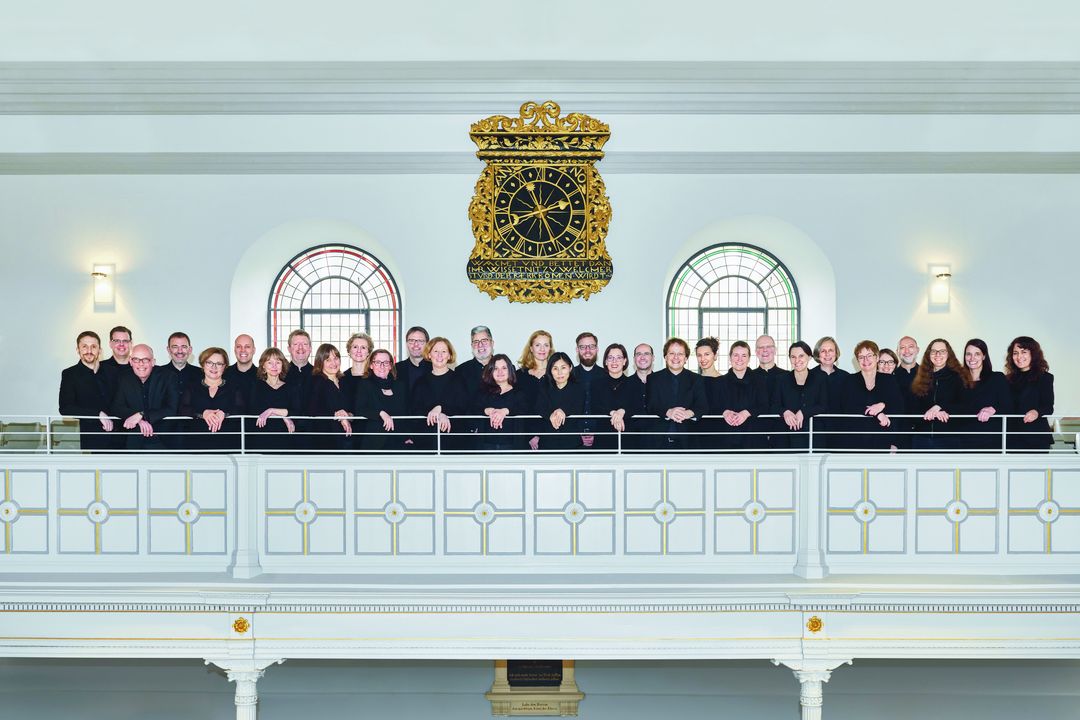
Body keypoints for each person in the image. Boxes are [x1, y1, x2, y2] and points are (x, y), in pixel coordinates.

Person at [834, 340, 903, 451]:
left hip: (882, 441)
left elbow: (898, 407)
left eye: (869, 355)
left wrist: (883, 405)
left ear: (876, 358)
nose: (865, 360)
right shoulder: (849, 380)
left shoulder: (889, 380)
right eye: (861, 357)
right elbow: (848, 407)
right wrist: (877, 413)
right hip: (853, 442)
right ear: (857, 360)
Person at [111, 343, 179, 451]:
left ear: (153, 362)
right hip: (133, 441)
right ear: (130, 361)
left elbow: (172, 408)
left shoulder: (168, 377)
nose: (141, 364)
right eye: (136, 359)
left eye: (145, 359)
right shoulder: (123, 378)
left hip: (162, 440)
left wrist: (142, 414)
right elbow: (117, 407)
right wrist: (139, 419)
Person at [58, 330, 117, 451]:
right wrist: (97, 414)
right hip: (93, 441)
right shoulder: (70, 374)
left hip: (120, 438)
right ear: (78, 350)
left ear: (100, 350)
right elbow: (65, 408)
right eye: (84, 347)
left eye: (93, 347)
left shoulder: (113, 372)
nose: (89, 351)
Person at [908, 339, 971, 451]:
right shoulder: (919, 378)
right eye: (934, 351)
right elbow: (912, 410)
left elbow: (966, 407)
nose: (937, 354)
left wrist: (940, 407)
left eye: (942, 351)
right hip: (921, 439)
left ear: (948, 354)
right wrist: (928, 414)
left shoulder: (959, 377)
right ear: (929, 354)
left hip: (949, 439)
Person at [179, 347, 245, 452]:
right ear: (203, 364)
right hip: (196, 444)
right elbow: (182, 409)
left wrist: (225, 414)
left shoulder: (234, 387)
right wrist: (203, 413)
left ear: (224, 367)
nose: (214, 367)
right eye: (209, 362)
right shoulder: (191, 387)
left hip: (228, 445)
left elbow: (241, 409)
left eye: (219, 364)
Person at [646, 338, 707, 449]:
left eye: (680, 354)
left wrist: (689, 413)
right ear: (665, 357)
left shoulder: (697, 379)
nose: (675, 357)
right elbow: (651, 405)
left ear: (686, 358)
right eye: (672, 353)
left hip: (689, 441)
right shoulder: (653, 379)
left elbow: (703, 406)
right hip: (659, 441)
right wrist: (668, 412)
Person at [410, 337, 467, 451]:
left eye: (444, 351)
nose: (439, 355)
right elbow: (415, 411)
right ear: (429, 355)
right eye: (436, 351)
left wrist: (441, 408)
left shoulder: (459, 379)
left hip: (454, 442)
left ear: (449, 356)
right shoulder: (420, 382)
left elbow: (464, 408)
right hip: (426, 443)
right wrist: (438, 415)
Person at [773, 341, 828, 451]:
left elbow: (824, 405)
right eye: (793, 357)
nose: (797, 360)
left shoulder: (820, 378)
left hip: (814, 437)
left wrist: (804, 412)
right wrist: (785, 412)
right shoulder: (781, 380)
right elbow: (774, 405)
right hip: (787, 438)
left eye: (801, 356)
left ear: (809, 357)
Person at [713, 341, 768, 450]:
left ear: (749, 358)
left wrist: (747, 413)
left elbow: (765, 406)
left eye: (744, 355)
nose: (739, 359)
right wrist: (724, 412)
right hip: (726, 439)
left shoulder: (760, 381)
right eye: (736, 355)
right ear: (730, 358)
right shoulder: (719, 382)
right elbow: (713, 406)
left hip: (752, 439)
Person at [958, 338, 1012, 451]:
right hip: (963, 441)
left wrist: (994, 409)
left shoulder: (997, 378)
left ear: (984, 356)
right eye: (968, 354)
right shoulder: (958, 381)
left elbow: (1009, 406)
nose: (972, 358)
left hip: (991, 441)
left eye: (977, 354)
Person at [1004, 336, 1055, 452]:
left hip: (1036, 438)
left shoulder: (1045, 378)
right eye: (1015, 353)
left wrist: (1036, 412)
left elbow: (1048, 407)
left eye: (1024, 352)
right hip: (1011, 438)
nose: (1019, 357)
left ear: (1034, 354)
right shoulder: (1007, 379)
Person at [354, 349, 410, 451]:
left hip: (399, 441)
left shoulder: (400, 386)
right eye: (378, 362)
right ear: (371, 365)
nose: (382, 366)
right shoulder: (365, 384)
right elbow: (360, 409)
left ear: (390, 366)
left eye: (386, 363)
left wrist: (408, 435)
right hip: (374, 443)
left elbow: (406, 412)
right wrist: (381, 413)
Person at [246, 347, 299, 452]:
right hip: (261, 440)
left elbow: (297, 411)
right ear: (263, 367)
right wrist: (283, 416)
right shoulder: (256, 386)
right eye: (270, 362)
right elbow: (254, 411)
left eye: (278, 362)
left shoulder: (292, 387)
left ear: (282, 366)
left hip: (286, 441)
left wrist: (271, 411)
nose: (274, 366)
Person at [158, 332, 203, 448]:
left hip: (195, 433)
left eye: (184, 347)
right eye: (175, 347)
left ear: (190, 349)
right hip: (163, 435)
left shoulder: (201, 374)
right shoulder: (157, 374)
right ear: (168, 350)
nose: (180, 351)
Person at [475, 354, 528, 452]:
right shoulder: (483, 391)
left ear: (510, 370)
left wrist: (505, 411)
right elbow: (471, 411)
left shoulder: (519, 392)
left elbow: (524, 410)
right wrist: (486, 411)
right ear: (491, 371)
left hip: (512, 447)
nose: (500, 372)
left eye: (504, 368)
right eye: (496, 368)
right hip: (486, 447)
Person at [306, 343, 353, 451]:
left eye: (336, 358)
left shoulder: (345, 381)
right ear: (320, 362)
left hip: (346, 439)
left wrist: (347, 415)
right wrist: (337, 415)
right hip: (324, 439)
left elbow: (352, 408)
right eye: (328, 360)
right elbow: (312, 410)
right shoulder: (315, 381)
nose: (333, 363)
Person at [535, 351, 586, 451]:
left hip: (572, 444)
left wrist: (563, 411)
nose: (559, 373)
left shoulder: (578, 388)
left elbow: (578, 407)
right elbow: (539, 407)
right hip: (547, 443)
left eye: (563, 368)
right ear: (550, 371)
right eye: (555, 368)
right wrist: (551, 414)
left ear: (570, 368)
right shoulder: (544, 386)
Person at [455, 325, 495, 448]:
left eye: (484, 341)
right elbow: (460, 404)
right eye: (476, 342)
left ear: (492, 343)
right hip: (471, 435)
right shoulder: (461, 371)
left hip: (498, 433)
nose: (480, 345)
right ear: (471, 346)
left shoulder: (505, 368)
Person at [517, 330, 554, 451]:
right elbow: (518, 407)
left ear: (550, 348)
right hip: (524, 436)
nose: (542, 349)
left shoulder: (557, 374)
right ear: (531, 348)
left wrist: (542, 435)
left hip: (552, 434)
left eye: (546, 345)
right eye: (538, 345)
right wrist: (530, 435)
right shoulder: (519, 376)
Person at [591, 343, 632, 450]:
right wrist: (612, 413)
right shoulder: (596, 384)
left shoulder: (634, 383)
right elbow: (594, 407)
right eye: (610, 358)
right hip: (603, 441)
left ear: (624, 361)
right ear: (605, 361)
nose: (614, 361)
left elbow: (638, 406)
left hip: (628, 441)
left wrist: (623, 411)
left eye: (619, 358)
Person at [810, 336, 849, 449]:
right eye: (823, 351)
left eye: (831, 350)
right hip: (815, 430)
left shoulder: (846, 377)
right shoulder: (809, 376)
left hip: (839, 431)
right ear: (818, 354)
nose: (827, 354)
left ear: (836, 353)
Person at [753, 334, 790, 448]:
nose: (765, 350)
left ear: (775, 350)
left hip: (782, 433)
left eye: (769, 346)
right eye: (760, 347)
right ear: (756, 351)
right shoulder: (749, 376)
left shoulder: (788, 376)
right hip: (755, 433)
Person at [624, 343, 655, 450]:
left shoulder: (662, 382)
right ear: (634, 358)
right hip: (630, 444)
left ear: (653, 358)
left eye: (646, 354)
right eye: (638, 354)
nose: (642, 357)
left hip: (658, 443)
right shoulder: (624, 384)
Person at [286, 329, 314, 447]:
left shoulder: (319, 374)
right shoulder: (280, 373)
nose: (300, 348)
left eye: (305, 344)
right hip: (286, 433)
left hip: (314, 434)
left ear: (310, 349)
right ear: (289, 349)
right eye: (296, 344)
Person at [571, 332, 601, 437]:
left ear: (597, 349)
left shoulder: (607, 375)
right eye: (583, 347)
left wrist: (596, 434)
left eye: (591, 346)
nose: (587, 350)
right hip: (573, 437)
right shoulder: (568, 375)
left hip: (601, 437)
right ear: (577, 350)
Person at [894, 336, 921, 449]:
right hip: (898, 436)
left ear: (917, 350)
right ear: (897, 352)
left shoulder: (928, 375)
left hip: (923, 435)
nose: (907, 351)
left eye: (910, 347)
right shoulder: (891, 376)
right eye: (902, 348)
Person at [395, 325, 433, 392]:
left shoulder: (435, 368)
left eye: (420, 341)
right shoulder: (396, 368)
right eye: (411, 340)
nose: (415, 344)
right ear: (407, 343)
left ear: (427, 344)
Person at [223, 334, 257, 405]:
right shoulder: (223, 374)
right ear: (234, 350)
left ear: (254, 350)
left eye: (247, 347)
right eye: (239, 346)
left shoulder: (263, 376)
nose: (243, 350)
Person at [341, 332, 374, 400]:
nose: (359, 351)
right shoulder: (342, 378)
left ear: (368, 352)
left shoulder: (375, 376)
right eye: (355, 347)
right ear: (349, 351)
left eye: (363, 347)